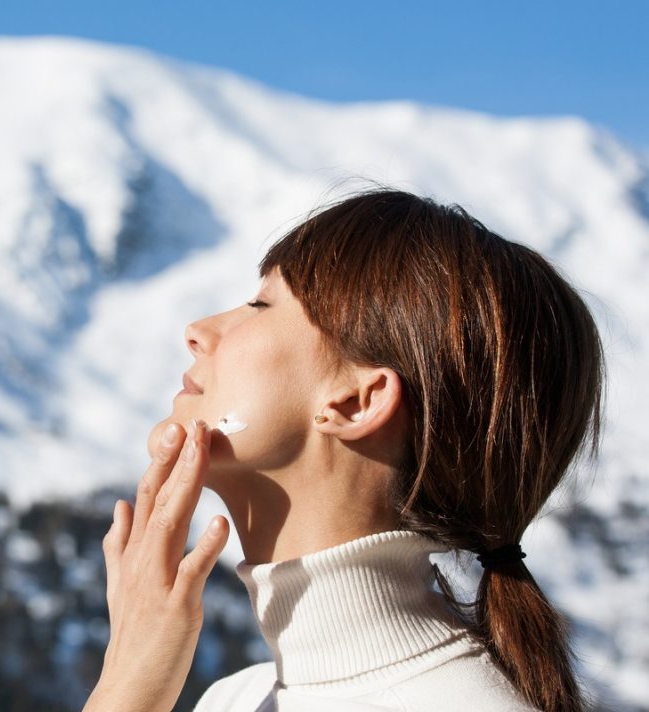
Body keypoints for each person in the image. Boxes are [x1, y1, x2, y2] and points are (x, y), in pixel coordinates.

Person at [82, 189, 604, 712]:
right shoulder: (234, 698)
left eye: (261, 305)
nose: (197, 332)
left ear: (357, 401)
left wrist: (126, 688)